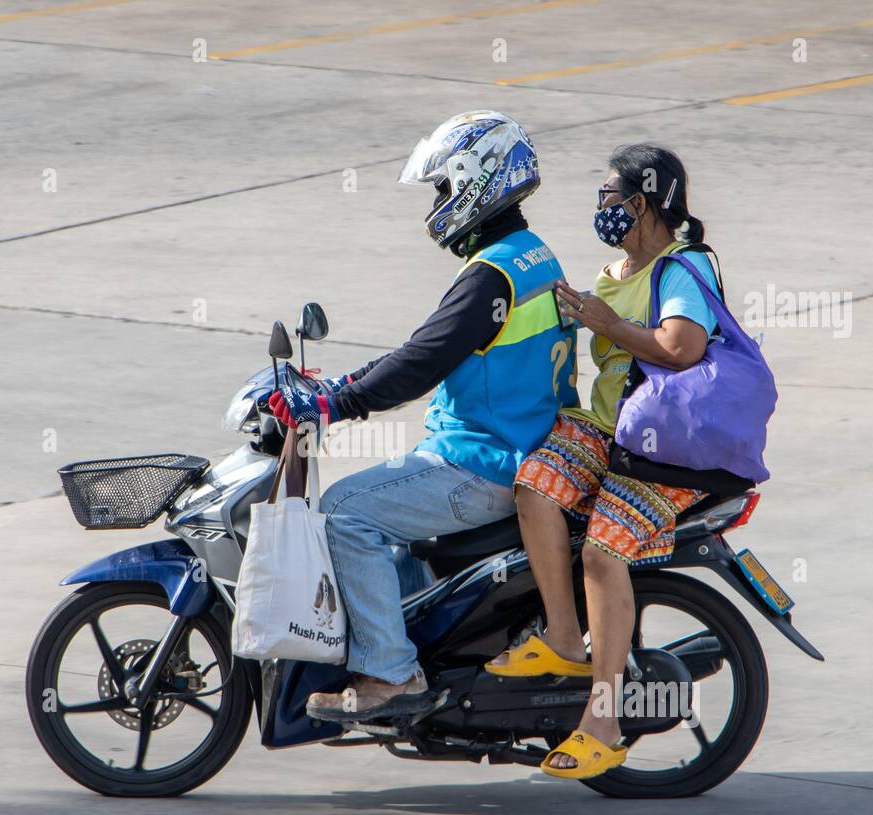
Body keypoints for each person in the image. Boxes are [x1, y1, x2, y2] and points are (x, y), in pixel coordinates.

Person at [265, 111, 579, 721]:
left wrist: (338, 402)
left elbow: (422, 363)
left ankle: (390, 673)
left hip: (485, 461)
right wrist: (343, 383)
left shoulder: (491, 276)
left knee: (347, 512)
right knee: (384, 505)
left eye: (443, 188)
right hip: (526, 445)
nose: (438, 202)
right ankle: (414, 647)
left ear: (475, 181)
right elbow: (428, 347)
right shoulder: (531, 257)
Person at [485, 143, 722, 778]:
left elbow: (681, 348)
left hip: (663, 448)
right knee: (533, 487)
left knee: (600, 551)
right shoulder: (614, 273)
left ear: (641, 205)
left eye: (611, 199)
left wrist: (603, 321)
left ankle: (604, 718)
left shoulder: (682, 270)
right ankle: (564, 637)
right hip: (606, 428)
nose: (603, 209)